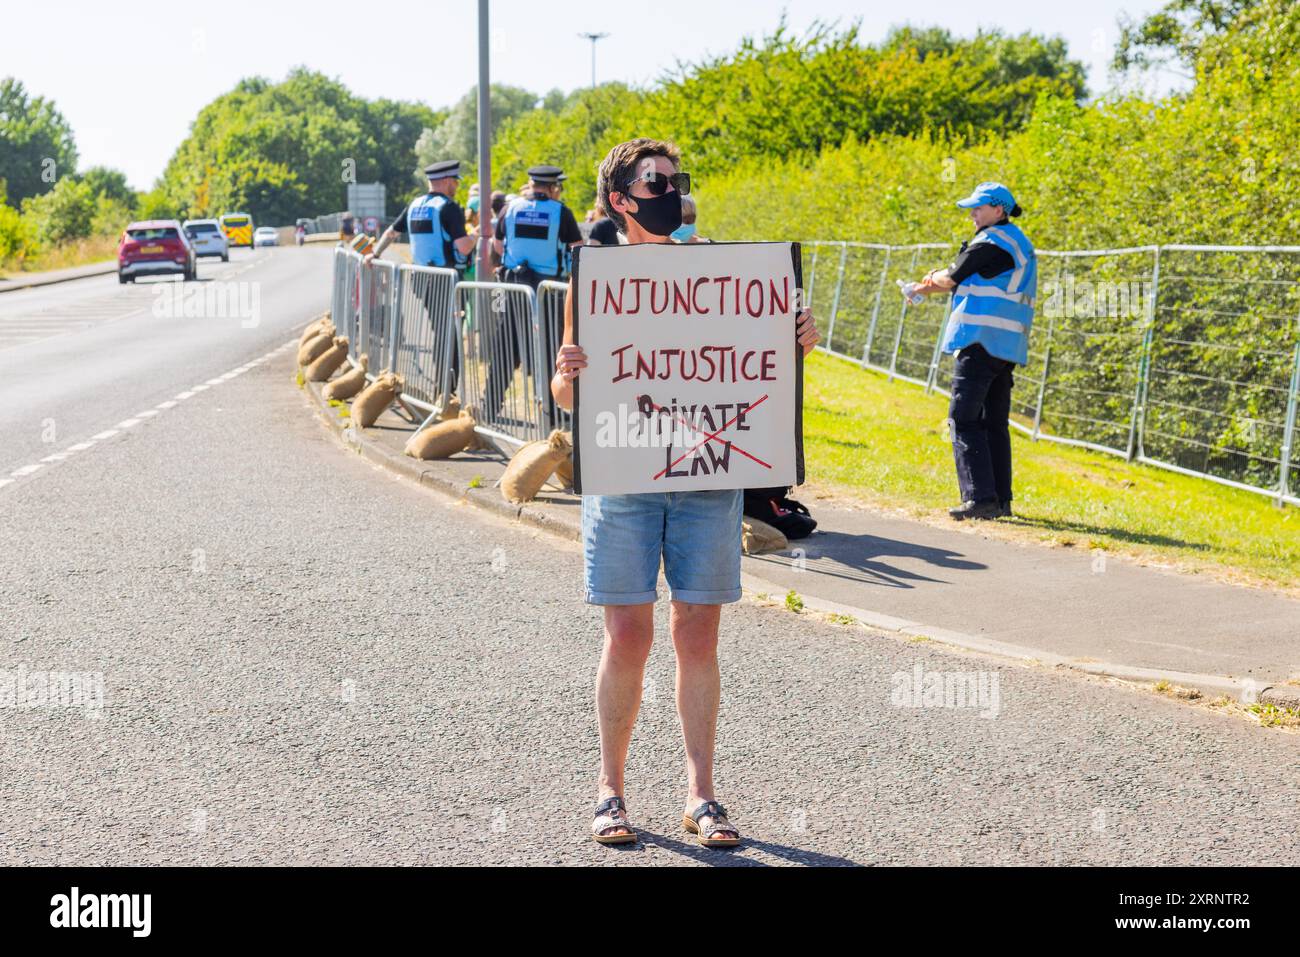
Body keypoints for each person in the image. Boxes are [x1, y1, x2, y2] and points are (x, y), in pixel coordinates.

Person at [551, 138, 821, 848]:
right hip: (625, 478)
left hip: (706, 479)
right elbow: (565, 392)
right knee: (629, 634)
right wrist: (567, 373)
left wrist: (798, 337)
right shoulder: (595, 279)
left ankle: (701, 795)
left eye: (676, 180)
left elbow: (756, 366)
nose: (671, 191)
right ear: (620, 198)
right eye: (657, 181)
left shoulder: (724, 272)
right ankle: (610, 790)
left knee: (697, 632)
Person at [909, 181, 1036, 521]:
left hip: (980, 340)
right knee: (994, 422)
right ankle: (1000, 499)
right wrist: (925, 287)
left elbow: (951, 277)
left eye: (977, 209)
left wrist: (930, 278)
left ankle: (979, 499)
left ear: (998, 210)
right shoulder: (1017, 242)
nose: (972, 216)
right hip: (1005, 345)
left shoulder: (992, 241)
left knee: (963, 418)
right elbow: (967, 282)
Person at [365, 160, 478, 402]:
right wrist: (479, 234)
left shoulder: (415, 205)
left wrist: (375, 254)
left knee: (440, 331)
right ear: (447, 181)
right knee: (450, 334)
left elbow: (391, 233)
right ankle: (445, 391)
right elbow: (463, 247)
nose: (456, 187)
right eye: (455, 182)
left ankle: (442, 388)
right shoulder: (448, 208)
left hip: (421, 279)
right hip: (447, 280)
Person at [484, 165, 584, 425]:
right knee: (552, 349)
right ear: (553, 188)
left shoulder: (510, 208)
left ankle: (489, 407)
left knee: (506, 347)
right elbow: (579, 250)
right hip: (550, 289)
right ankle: (552, 413)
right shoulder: (560, 212)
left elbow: (497, 244)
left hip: (515, 287)